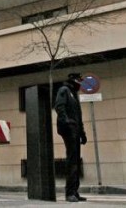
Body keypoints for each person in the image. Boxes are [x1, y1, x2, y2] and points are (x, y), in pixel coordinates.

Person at [54, 73, 87, 202]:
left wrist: (82, 133)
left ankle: (75, 191)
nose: (80, 85)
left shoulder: (74, 94)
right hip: (68, 129)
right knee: (72, 160)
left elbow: (78, 116)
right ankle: (69, 193)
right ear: (74, 81)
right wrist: (66, 122)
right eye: (79, 82)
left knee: (76, 161)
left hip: (76, 129)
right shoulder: (64, 90)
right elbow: (59, 106)